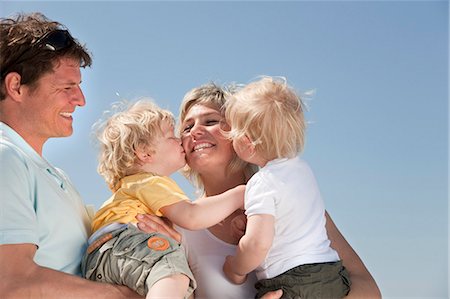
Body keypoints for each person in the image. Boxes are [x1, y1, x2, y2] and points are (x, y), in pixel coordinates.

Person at [137, 82, 381, 298]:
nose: (194, 132)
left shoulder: (293, 201)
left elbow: (369, 289)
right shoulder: (178, 228)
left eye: (211, 121)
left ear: (245, 134)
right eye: (187, 127)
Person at [0, 12, 142, 298]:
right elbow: (10, 282)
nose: (80, 100)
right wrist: (123, 295)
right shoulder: (6, 159)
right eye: (67, 88)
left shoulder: (51, 174)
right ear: (16, 87)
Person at [83, 99, 247, 298]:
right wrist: (241, 195)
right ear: (144, 152)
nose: (181, 140)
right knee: (173, 276)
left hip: (104, 255)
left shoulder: (137, 186)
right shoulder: (151, 182)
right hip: (125, 241)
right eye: (172, 135)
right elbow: (192, 215)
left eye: (210, 121)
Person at [222, 76, 351, 298]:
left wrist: (235, 269)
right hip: (332, 273)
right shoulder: (304, 171)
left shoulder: (261, 182)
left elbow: (257, 244)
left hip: (293, 283)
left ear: (245, 142)